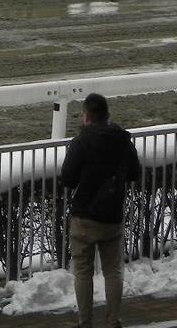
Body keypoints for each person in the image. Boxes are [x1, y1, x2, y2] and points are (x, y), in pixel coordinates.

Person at [61, 94, 141, 328]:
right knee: (113, 271)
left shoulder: (80, 142)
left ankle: (85, 322)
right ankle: (112, 320)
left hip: (84, 217)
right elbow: (135, 173)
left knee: (83, 272)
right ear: (107, 115)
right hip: (112, 216)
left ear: (86, 116)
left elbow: (67, 178)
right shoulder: (123, 140)